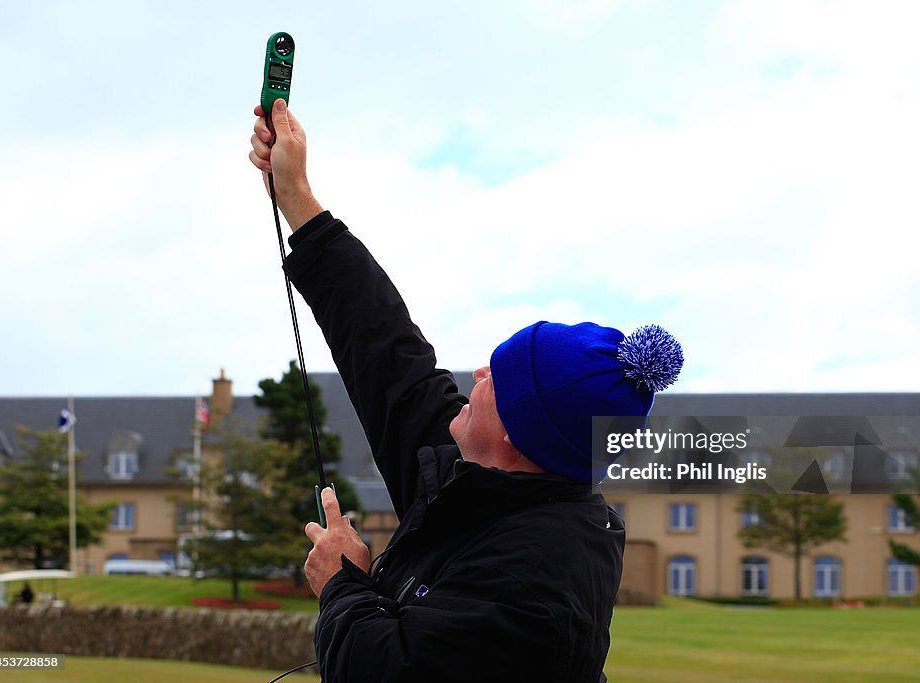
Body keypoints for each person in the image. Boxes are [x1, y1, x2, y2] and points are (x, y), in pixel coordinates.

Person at [248, 99, 683, 683]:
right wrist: (296, 194)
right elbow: (385, 348)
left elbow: (391, 673)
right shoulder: (482, 473)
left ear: (513, 431)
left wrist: (343, 583)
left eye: (497, 380)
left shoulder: (539, 582)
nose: (477, 377)